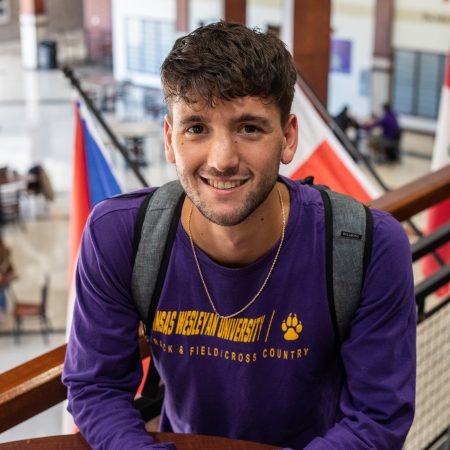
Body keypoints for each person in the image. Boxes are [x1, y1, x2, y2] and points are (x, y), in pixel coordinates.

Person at [63, 22, 416, 450]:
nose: (222, 160)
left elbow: (377, 418)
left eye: (249, 128)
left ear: (287, 138)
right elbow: (96, 386)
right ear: (170, 141)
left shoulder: (368, 247)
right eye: (196, 128)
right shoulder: (120, 235)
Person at [0, 236, 16, 322]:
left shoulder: (4, 251)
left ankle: (2, 311)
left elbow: (5, 266)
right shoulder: (4, 250)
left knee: (1, 289)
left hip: (5, 277)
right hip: (5, 277)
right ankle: (2, 310)